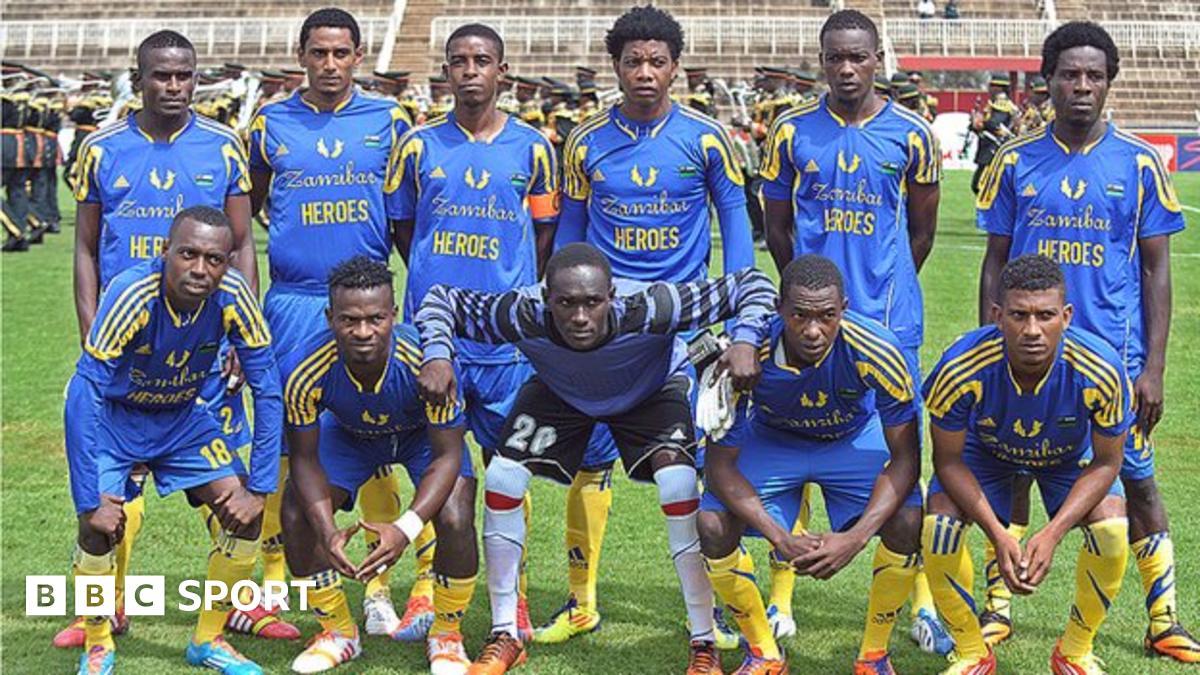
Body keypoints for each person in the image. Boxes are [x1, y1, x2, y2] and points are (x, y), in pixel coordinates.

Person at [416, 243, 775, 675]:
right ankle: (505, 634)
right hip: (563, 391)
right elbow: (442, 300)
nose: (580, 317)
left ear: (612, 297)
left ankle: (704, 643)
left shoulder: (653, 305)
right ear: (546, 298)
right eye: (566, 303)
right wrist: (437, 353)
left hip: (651, 389)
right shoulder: (521, 312)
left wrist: (745, 338)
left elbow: (752, 284)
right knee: (503, 477)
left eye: (592, 303)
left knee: (678, 484)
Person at [975, 21, 1197, 663]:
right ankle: (998, 605)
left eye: (1093, 75)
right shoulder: (1015, 160)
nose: (1081, 86)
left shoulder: (1140, 162)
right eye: (1069, 74)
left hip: (1113, 363)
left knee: (1139, 484)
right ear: (1047, 80)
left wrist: (1152, 368)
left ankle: (1163, 618)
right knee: (1013, 469)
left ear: (1109, 83)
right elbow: (995, 259)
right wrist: (990, 342)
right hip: (1025, 354)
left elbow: (1156, 269)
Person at [63, 29, 290, 648]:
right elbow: (85, 249)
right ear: (138, 79)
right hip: (126, 342)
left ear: (196, 79)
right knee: (112, 483)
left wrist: (240, 336)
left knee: (227, 478)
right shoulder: (100, 149)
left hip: (206, 347)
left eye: (184, 75)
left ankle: (235, 606)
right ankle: (102, 606)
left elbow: (242, 247)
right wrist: (91, 332)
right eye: (161, 75)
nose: (173, 86)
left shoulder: (223, 146)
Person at [552, 4, 756, 646]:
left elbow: (737, 228)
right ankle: (581, 601)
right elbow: (570, 237)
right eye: (633, 61)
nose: (645, 72)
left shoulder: (707, 139)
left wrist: (742, 317)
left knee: (699, 466)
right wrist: (560, 312)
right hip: (604, 329)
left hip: (685, 330)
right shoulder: (585, 142)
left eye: (656, 62)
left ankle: (716, 606)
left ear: (676, 68)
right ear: (616, 67)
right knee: (590, 461)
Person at [758, 9, 950, 654]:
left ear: (877, 60)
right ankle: (780, 598)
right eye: (835, 57)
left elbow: (921, 231)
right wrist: (807, 299)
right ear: (822, 61)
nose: (846, 68)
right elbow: (777, 227)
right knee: (797, 437)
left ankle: (921, 603)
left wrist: (880, 290)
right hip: (811, 322)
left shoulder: (913, 135)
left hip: (890, 323)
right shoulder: (790, 131)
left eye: (858, 57)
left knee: (899, 455)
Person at [385, 21, 559, 646]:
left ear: (501, 71)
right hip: (436, 342)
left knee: (508, 474)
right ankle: (427, 592)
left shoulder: (534, 148)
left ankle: (514, 600)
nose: (470, 71)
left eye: (482, 60)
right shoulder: (417, 146)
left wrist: (511, 293)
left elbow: (544, 234)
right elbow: (404, 229)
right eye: (459, 61)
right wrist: (436, 280)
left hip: (506, 344)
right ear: (446, 71)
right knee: (439, 470)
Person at [248, 7, 417, 639]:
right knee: (285, 448)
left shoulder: (389, 121)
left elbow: (405, 220)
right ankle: (275, 585)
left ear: (358, 57)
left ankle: (376, 589)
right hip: (292, 305)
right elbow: (247, 209)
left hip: (366, 306)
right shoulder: (269, 123)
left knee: (374, 443)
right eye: (317, 53)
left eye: (340, 53)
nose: (328, 64)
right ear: (301, 55)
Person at [66, 206, 282, 675]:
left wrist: (261, 487)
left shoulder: (234, 295)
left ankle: (208, 640)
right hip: (115, 420)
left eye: (214, 259)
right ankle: (98, 642)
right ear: (165, 251)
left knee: (246, 513)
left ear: (227, 263)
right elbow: (83, 395)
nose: (200, 269)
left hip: (183, 420)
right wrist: (88, 500)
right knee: (96, 525)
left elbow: (268, 388)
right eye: (188, 254)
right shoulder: (132, 294)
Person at [699, 255, 923, 675]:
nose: (814, 330)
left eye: (827, 316)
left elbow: (907, 458)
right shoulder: (745, 355)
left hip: (851, 439)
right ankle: (764, 653)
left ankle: (874, 656)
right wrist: (780, 538)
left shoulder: (879, 350)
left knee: (908, 519)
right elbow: (720, 469)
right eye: (799, 315)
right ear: (779, 309)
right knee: (712, 525)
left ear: (844, 309)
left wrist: (856, 538)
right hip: (772, 440)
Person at [923, 254, 1131, 675]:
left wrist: (1052, 533)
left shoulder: (1102, 369)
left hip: (1065, 460)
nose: (1032, 330)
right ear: (997, 316)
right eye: (1019, 315)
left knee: (1111, 529)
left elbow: (1108, 463)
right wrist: (998, 534)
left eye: (1045, 315)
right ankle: (972, 652)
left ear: (1066, 316)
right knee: (938, 527)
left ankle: (1074, 652)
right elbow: (947, 460)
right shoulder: (960, 366)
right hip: (986, 455)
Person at [277, 256, 477, 674]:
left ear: (394, 315)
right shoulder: (302, 368)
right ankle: (338, 632)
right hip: (350, 436)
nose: (364, 331)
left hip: (420, 437)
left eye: (375, 319)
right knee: (296, 512)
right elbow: (304, 459)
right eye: (349, 320)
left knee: (456, 512)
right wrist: (327, 531)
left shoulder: (427, 361)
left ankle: (447, 634)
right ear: (330, 318)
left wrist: (404, 530)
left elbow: (448, 456)